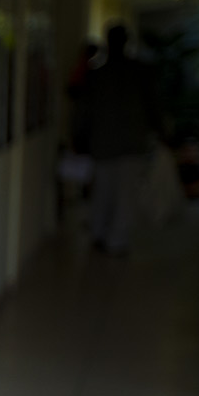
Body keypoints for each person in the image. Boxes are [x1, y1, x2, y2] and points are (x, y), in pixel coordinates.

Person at [78, 24, 163, 257]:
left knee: (103, 189)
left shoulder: (98, 74)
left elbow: (85, 111)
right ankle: (115, 239)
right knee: (123, 193)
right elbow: (154, 106)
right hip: (130, 142)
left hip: (105, 142)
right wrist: (163, 132)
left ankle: (100, 234)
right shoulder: (140, 72)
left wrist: (82, 137)